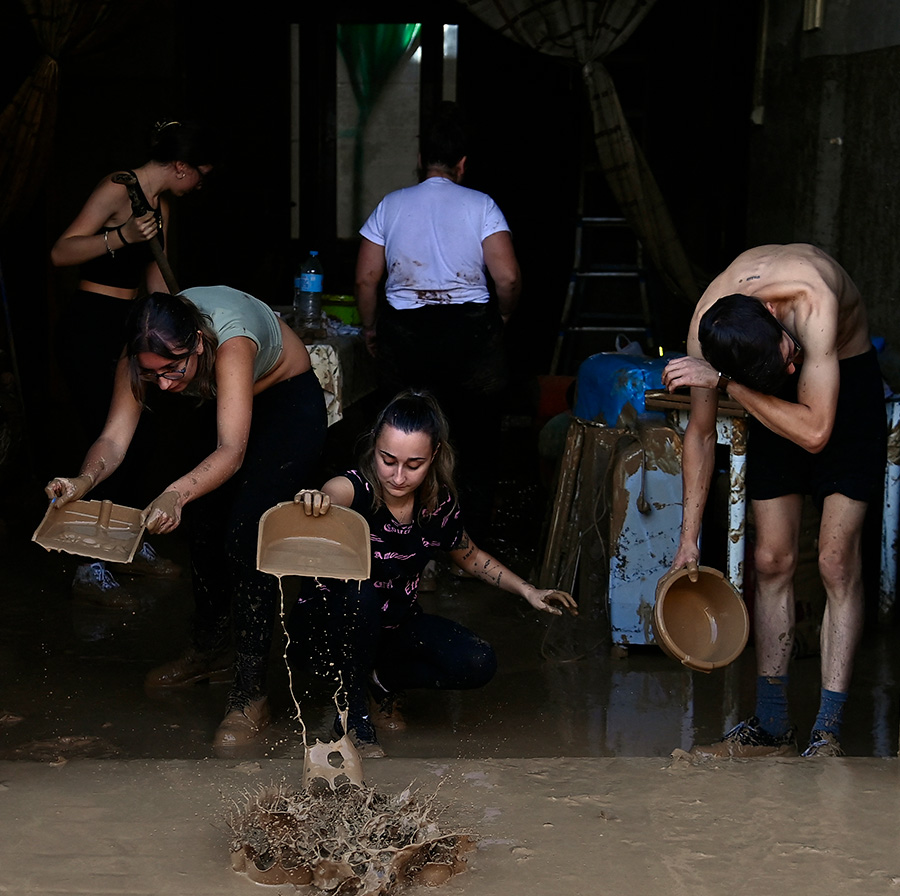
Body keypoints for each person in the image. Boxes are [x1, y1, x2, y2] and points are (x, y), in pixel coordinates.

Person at [45, 287, 327, 750]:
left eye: (172, 370)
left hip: (283, 403)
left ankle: (250, 693)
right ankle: (208, 651)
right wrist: (81, 482)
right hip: (216, 402)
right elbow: (113, 441)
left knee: (246, 535)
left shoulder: (231, 344)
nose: (164, 386)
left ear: (197, 342)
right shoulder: (147, 354)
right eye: (150, 374)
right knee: (205, 528)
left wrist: (175, 493)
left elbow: (231, 452)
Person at [661, 244, 886, 758]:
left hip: (842, 389)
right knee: (770, 559)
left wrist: (729, 384)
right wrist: (688, 540)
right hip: (755, 382)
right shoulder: (707, 328)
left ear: (772, 316)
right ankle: (772, 725)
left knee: (834, 561)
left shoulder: (812, 301)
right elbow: (699, 435)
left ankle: (826, 730)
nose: (790, 372)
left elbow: (815, 434)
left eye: (787, 357)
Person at [288, 389, 576, 757]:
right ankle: (353, 713)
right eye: (387, 460)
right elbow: (332, 493)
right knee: (361, 593)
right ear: (374, 446)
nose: (397, 476)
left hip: (391, 626)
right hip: (330, 628)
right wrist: (317, 498)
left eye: (414, 464)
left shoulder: (436, 506)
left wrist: (528, 591)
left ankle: (379, 683)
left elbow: (471, 557)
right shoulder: (355, 490)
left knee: (477, 662)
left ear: (434, 456)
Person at [50, 120, 217, 607]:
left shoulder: (161, 205)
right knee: (102, 439)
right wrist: (119, 236)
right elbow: (60, 252)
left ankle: (126, 542)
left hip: (135, 325)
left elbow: (156, 278)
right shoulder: (116, 188)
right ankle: (89, 564)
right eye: (200, 174)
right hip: (90, 324)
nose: (201, 184)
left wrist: (182, 326)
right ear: (180, 166)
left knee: (141, 438)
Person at [355, 102, 521, 544]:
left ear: (420, 160)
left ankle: (408, 547)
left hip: (406, 339)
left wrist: (371, 328)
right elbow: (506, 277)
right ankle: (472, 550)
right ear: (462, 164)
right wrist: (499, 317)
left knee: (406, 447)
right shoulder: (482, 205)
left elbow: (366, 278)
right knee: (477, 442)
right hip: (470, 336)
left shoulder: (390, 206)